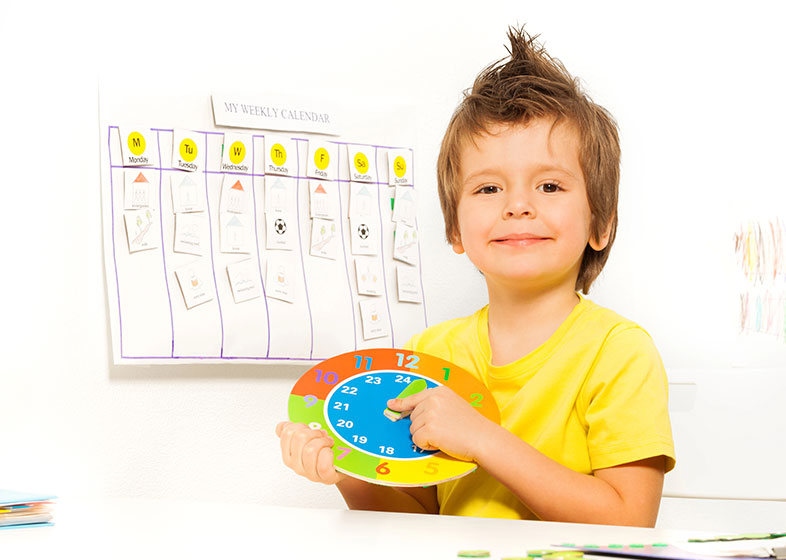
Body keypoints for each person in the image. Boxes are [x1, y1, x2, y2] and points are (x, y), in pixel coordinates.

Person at [276, 26, 675, 527]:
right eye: (488, 189)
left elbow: (628, 522)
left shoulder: (620, 353)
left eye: (549, 185)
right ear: (455, 228)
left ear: (600, 223)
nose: (518, 206)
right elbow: (418, 520)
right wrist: (347, 470)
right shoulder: (429, 353)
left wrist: (482, 437)